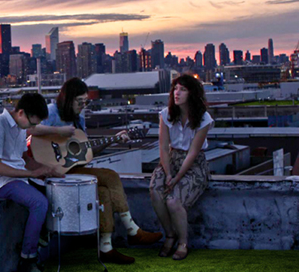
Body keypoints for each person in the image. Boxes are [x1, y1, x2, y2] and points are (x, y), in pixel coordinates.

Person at [28, 77, 162, 265]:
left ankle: (106, 247)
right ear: (68, 98)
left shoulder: (79, 119)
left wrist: (113, 140)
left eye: (86, 101)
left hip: (75, 170)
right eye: (80, 101)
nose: (83, 105)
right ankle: (133, 230)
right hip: (54, 173)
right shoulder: (51, 112)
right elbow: (29, 129)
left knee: (103, 191)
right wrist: (59, 132)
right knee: (111, 175)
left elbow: (86, 151)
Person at [0, 93, 62, 272]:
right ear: (21, 112)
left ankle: (41, 236)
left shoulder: (20, 128)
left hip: (20, 178)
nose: (32, 127)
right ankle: (27, 258)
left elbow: (25, 159)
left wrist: (46, 169)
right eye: (32, 123)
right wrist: (31, 173)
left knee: (58, 192)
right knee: (39, 203)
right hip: (1, 182)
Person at [150, 74, 213, 260]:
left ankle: (183, 242)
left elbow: (193, 153)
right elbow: (162, 147)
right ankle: (169, 234)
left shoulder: (204, 118)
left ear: (192, 94)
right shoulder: (166, 114)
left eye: (183, 89)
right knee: (155, 190)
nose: (177, 93)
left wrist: (176, 179)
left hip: (194, 165)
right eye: (175, 89)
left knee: (173, 201)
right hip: (170, 160)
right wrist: (169, 173)